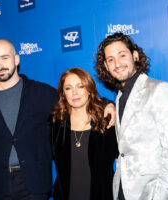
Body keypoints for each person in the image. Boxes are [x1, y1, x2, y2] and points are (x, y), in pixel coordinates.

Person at [0, 39, 116, 200]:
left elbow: (75, 99)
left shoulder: (41, 93)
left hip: (35, 185)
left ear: (16, 59)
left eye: (4, 58)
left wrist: (108, 104)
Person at [95, 33, 168, 200]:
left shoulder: (160, 90)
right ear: (106, 66)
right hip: (124, 192)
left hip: (154, 194)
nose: (117, 64)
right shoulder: (119, 97)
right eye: (110, 59)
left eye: (122, 55)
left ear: (135, 55)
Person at [50, 67, 118, 200]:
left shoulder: (106, 121)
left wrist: (109, 104)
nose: (74, 93)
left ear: (89, 89)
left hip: (102, 195)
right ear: (63, 94)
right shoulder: (56, 123)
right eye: (68, 88)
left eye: (80, 86)